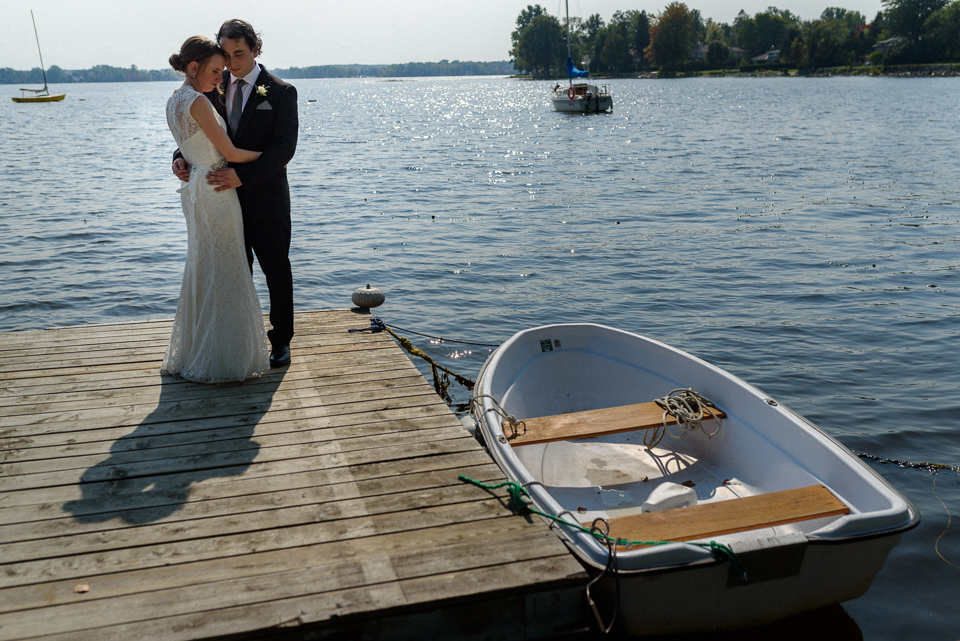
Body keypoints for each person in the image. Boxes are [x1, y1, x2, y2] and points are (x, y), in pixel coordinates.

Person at [173, 19, 298, 368]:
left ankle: (281, 341)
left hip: (266, 199)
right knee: (232, 271)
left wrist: (242, 178)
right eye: (225, 55)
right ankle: (237, 343)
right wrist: (180, 158)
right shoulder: (214, 84)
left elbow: (285, 149)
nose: (231, 63)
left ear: (256, 50)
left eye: (239, 53)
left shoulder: (281, 91)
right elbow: (199, 133)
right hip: (222, 202)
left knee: (276, 270)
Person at [164, 36, 269, 383]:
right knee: (226, 268)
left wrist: (180, 163)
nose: (219, 79)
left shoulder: (174, 100)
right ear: (193, 68)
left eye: (222, 72)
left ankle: (198, 350)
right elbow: (232, 152)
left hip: (196, 190)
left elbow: (189, 150)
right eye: (214, 71)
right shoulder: (199, 102)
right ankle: (222, 360)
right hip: (217, 192)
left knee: (204, 266)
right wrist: (270, 160)